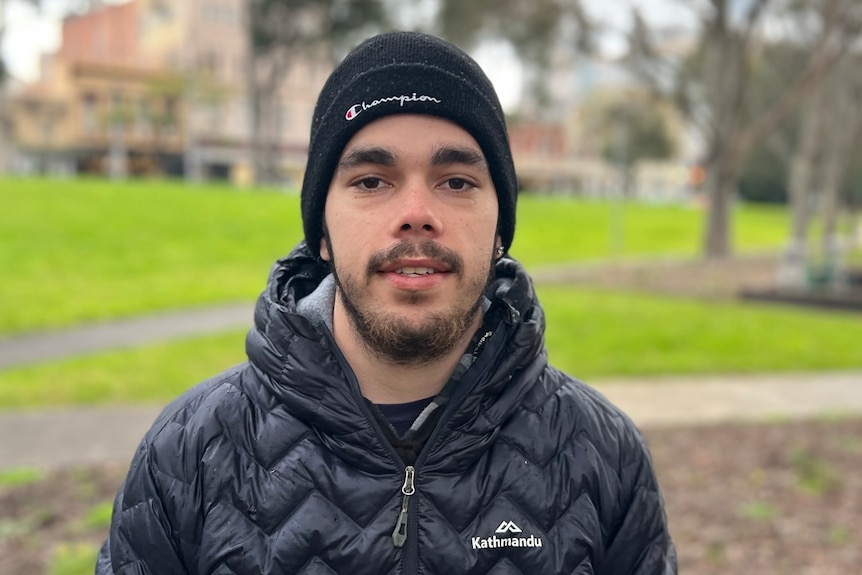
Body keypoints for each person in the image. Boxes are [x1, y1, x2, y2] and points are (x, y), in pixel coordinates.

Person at [96, 31, 676, 574]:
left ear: (501, 229)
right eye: (372, 181)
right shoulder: (188, 453)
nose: (416, 211)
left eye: (457, 182)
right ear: (320, 231)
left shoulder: (604, 453)